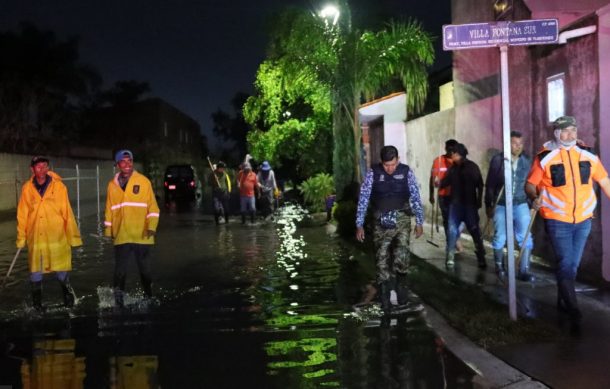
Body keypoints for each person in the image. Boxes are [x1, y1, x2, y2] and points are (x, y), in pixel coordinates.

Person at [525, 116, 610, 321]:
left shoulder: (588, 154)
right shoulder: (544, 157)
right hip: (557, 218)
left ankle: (563, 298)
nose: (570, 134)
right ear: (556, 133)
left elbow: (604, 180)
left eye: (573, 130)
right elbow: (529, 184)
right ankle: (572, 306)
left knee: (573, 264)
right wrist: (534, 197)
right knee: (566, 263)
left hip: (583, 220)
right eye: (565, 131)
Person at [355, 145, 424, 314]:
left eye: (393, 164)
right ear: (381, 162)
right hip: (380, 221)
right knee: (381, 258)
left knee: (402, 255)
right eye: (386, 166)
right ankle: (385, 301)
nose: (390, 169)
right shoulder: (373, 173)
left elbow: (415, 196)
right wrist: (359, 224)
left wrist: (419, 221)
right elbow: (363, 198)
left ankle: (402, 296)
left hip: (402, 219)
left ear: (398, 160)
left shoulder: (406, 172)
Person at [16, 156, 82, 311]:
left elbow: (67, 212)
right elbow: (22, 215)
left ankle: (69, 303)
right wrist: (21, 238)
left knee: (61, 272)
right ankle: (37, 307)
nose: (42, 169)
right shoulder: (27, 189)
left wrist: (73, 237)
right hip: (36, 238)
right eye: (38, 167)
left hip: (57, 237)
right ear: (32, 169)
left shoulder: (59, 187)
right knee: (35, 273)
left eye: (45, 166)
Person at [104, 150, 160, 307]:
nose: (127, 164)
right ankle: (118, 302)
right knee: (119, 273)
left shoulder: (144, 182)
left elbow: (153, 208)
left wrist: (152, 227)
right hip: (122, 235)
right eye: (123, 161)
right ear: (117, 165)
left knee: (145, 272)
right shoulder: (111, 186)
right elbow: (109, 209)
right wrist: (108, 232)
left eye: (130, 161)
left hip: (142, 235)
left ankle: (149, 297)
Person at [485, 131, 534, 281]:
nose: (518, 147)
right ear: (508, 144)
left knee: (526, 236)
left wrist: (531, 203)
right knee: (500, 236)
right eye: (514, 143)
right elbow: (490, 184)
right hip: (501, 203)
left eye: (520, 144)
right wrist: (488, 204)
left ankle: (524, 270)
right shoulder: (498, 160)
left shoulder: (526, 161)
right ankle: (500, 267)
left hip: (521, 203)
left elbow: (530, 184)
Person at [440, 143, 486, 268]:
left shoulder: (472, 167)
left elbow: (480, 185)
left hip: (470, 205)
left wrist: (479, 201)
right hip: (455, 205)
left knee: (475, 231)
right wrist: (439, 183)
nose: (451, 156)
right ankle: (450, 258)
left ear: (458, 154)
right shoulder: (453, 169)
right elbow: (445, 182)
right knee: (452, 231)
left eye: (453, 154)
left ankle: (481, 257)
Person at [429, 139, 464, 251]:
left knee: (460, 220)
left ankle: (455, 239)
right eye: (448, 149)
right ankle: (450, 243)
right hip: (443, 195)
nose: (450, 151)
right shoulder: (438, 161)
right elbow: (432, 179)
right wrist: (431, 194)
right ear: (445, 148)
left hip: (458, 195)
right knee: (447, 220)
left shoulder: (460, 161)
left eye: (453, 150)